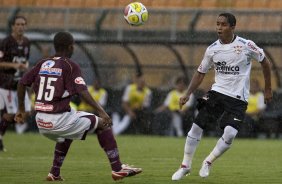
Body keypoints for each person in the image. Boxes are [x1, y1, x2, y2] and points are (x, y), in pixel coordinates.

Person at [14, 32, 142, 181]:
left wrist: (21, 110)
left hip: (41, 122)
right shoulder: (70, 65)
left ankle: (54, 173)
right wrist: (102, 112)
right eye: (73, 46)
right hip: (58, 119)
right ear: (70, 47)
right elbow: (82, 91)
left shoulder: (43, 63)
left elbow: (22, 83)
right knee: (103, 125)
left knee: (70, 128)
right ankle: (117, 168)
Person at [171, 12, 272, 180]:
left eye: (223, 24)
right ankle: (185, 165)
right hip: (217, 93)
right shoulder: (212, 49)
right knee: (197, 125)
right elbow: (200, 72)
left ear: (232, 27)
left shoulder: (246, 45)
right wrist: (187, 93)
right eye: (217, 24)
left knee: (230, 134)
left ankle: (208, 161)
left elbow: (265, 62)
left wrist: (268, 89)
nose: (219, 27)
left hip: (238, 98)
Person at [0, 15, 30, 151]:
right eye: (18, 24)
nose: (20, 27)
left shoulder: (26, 43)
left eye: (23, 24)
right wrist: (14, 65)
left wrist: (25, 66)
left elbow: (25, 61)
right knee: (11, 114)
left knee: (27, 112)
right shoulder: (5, 42)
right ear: (13, 26)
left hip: (20, 84)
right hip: (6, 83)